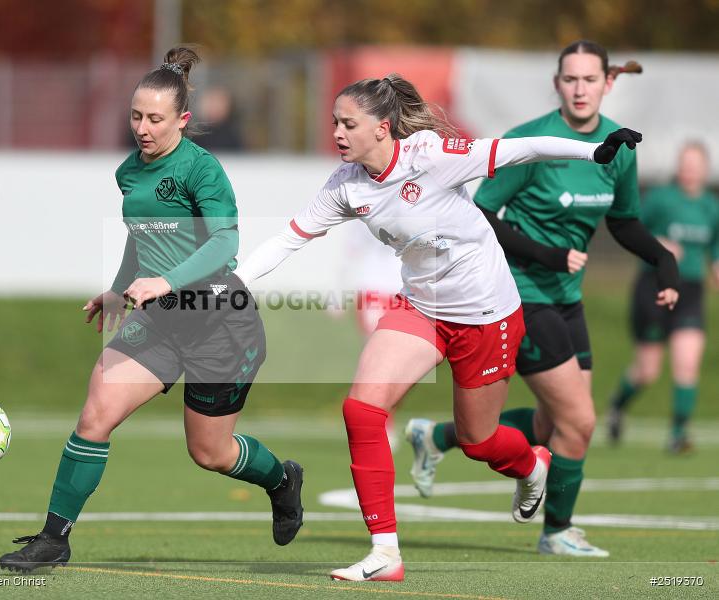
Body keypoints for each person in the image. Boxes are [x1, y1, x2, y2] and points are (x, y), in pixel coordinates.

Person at [236, 71, 638, 581]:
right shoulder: (345, 185)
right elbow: (289, 239)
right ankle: (385, 554)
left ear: (383, 127)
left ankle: (532, 466)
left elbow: (519, 150)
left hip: (487, 314)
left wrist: (595, 151)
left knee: (478, 439)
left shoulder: (431, 154)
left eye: (348, 123)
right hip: (421, 308)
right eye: (334, 122)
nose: (337, 132)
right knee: (362, 410)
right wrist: (235, 281)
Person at [0, 47, 304, 573]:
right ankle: (55, 537)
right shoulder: (128, 172)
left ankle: (281, 480)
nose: (142, 127)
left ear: (182, 119)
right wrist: (119, 288)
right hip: (160, 323)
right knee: (95, 414)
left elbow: (224, 245)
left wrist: (166, 281)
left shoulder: (202, 170)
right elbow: (140, 240)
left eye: (155, 119)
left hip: (220, 325)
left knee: (209, 452)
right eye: (136, 116)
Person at [404, 40, 678, 558]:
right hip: (517, 294)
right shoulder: (532, 142)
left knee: (557, 423)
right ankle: (556, 532)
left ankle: (438, 437)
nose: (580, 89)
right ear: (557, 84)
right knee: (579, 422)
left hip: (566, 298)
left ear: (608, 83)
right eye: (570, 79)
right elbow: (480, 212)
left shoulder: (616, 146)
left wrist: (663, 260)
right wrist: (545, 254)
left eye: (590, 80)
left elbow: (623, 221)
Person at [608, 142, 718, 453]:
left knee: (687, 362)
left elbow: (716, 243)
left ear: (705, 169)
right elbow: (631, 228)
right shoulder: (660, 198)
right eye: (686, 163)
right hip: (654, 286)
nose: (690, 170)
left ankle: (678, 434)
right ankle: (617, 405)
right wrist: (661, 242)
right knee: (648, 370)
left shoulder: (711, 206)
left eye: (696, 165)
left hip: (691, 290)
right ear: (678, 166)